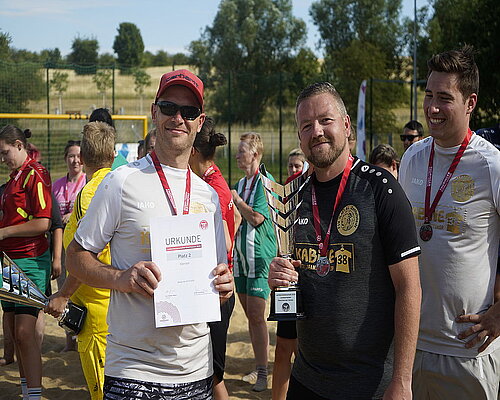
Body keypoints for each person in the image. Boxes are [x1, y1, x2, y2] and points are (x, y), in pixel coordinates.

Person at [64, 69, 234, 399]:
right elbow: (75, 258)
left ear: (199, 122)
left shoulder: (209, 196)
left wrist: (223, 286)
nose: (178, 118)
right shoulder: (121, 182)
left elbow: (216, 278)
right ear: (155, 112)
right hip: (134, 370)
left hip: (197, 370)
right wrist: (121, 278)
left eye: (189, 112)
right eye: (169, 107)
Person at [268, 82, 422, 399]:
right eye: (306, 125)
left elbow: (409, 287)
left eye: (325, 120)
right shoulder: (293, 197)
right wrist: (280, 275)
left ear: (347, 125)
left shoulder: (381, 189)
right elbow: (297, 273)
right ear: (299, 136)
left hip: (369, 385)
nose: (317, 131)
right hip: (308, 380)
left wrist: (402, 380)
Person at [398, 46, 500, 399]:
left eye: (444, 98)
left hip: (468, 351)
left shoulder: (491, 165)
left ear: (470, 103)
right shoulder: (412, 157)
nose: (432, 107)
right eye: (428, 95)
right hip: (410, 345)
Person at [45, 121, 116, 399]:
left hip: (97, 313)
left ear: (83, 157)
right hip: (113, 305)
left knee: (102, 390)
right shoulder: (118, 183)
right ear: (112, 155)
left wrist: (63, 294)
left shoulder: (90, 194)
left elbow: (88, 254)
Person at [189, 116, 241, 400]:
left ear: (193, 150)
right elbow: (235, 220)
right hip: (216, 287)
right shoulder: (214, 178)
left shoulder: (211, 190)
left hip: (217, 291)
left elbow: (226, 241)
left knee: (213, 375)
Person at [0, 125, 53, 400]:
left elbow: (44, 222)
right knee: (13, 331)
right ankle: (26, 391)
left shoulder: (36, 173)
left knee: (24, 332)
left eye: (5, 152)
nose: (3, 159)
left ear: (19, 145)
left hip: (30, 260)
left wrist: (4, 232)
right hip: (9, 261)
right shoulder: (14, 179)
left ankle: (34, 395)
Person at [231, 132, 277, 392]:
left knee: (258, 316)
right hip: (241, 258)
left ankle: (263, 372)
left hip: (259, 257)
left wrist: (237, 201)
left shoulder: (264, 183)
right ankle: (259, 365)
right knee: (251, 316)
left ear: (255, 154)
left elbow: (257, 218)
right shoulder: (241, 182)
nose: (237, 155)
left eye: (242, 151)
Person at [271, 149, 306, 400]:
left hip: (313, 284)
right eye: (291, 166)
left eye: (298, 166)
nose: (293, 171)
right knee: (282, 348)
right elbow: (279, 241)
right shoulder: (284, 197)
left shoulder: (314, 193)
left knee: (304, 353)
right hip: (288, 285)